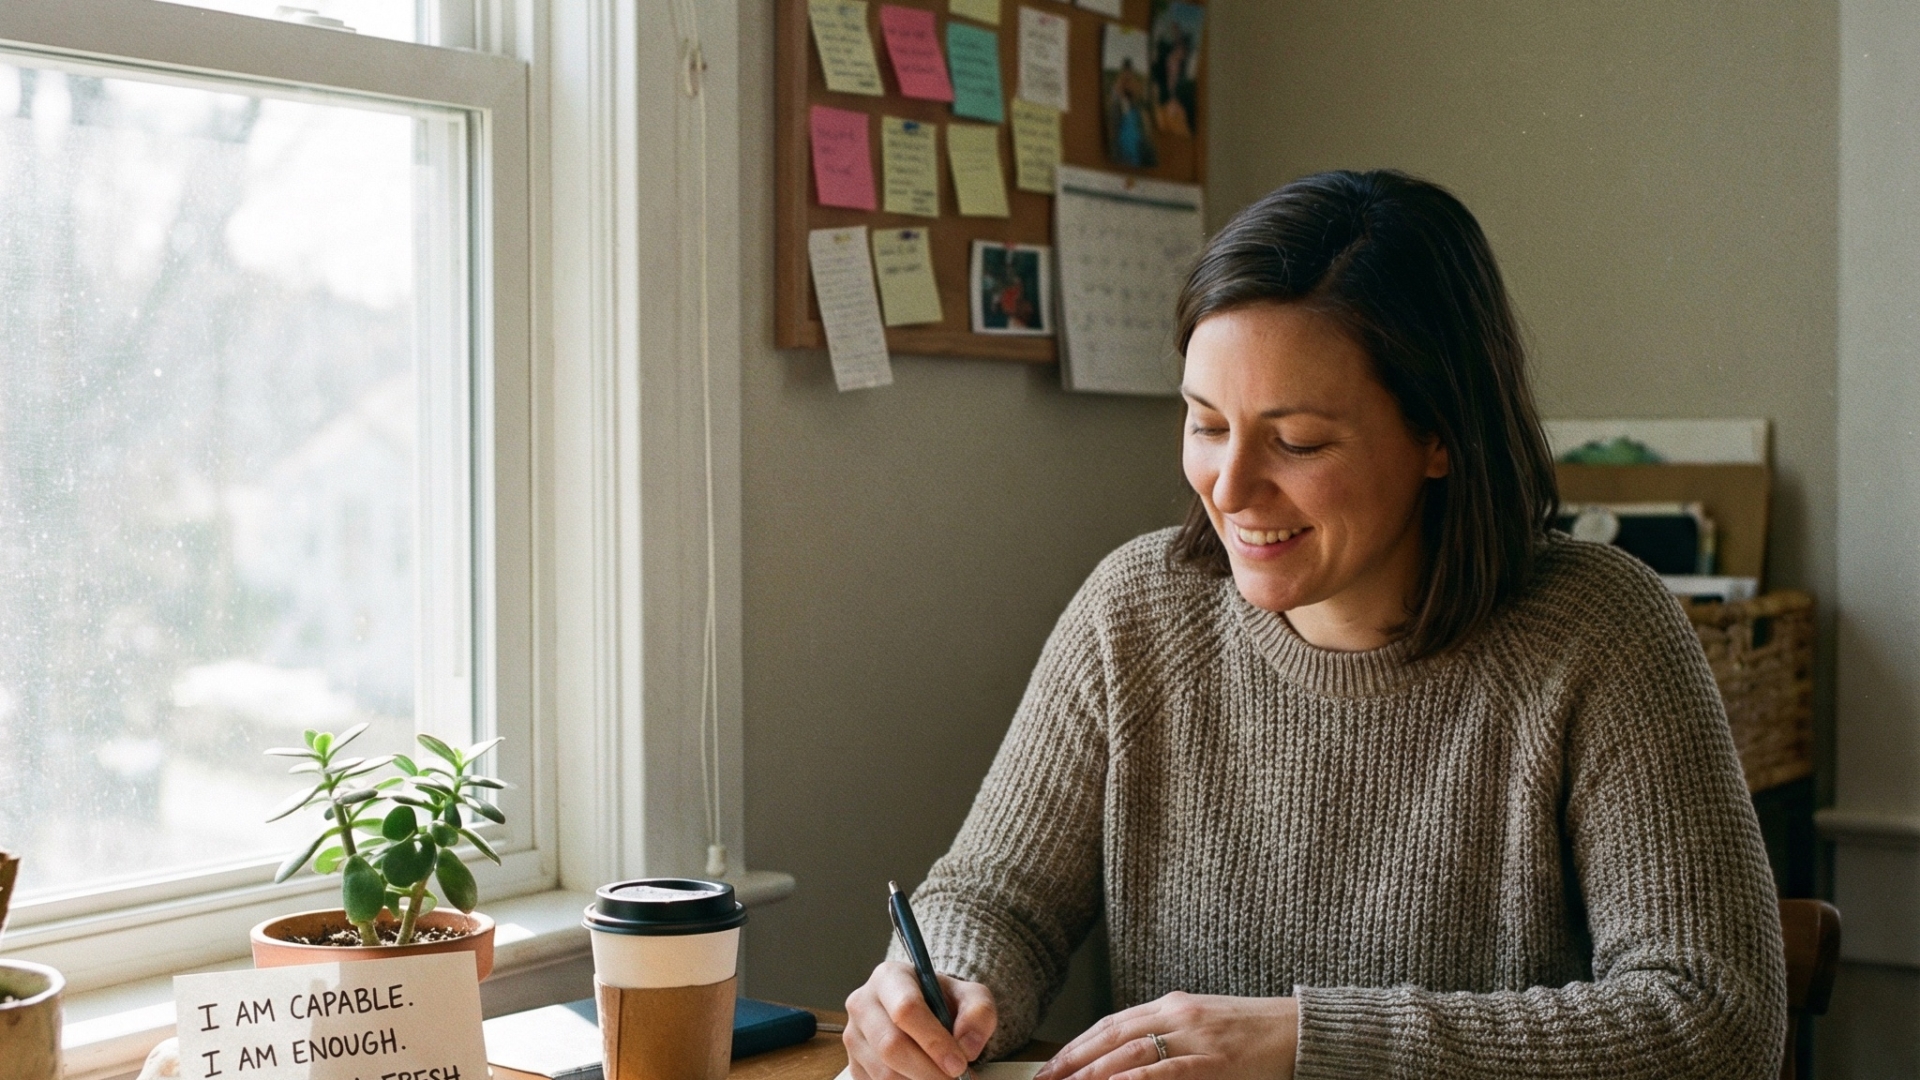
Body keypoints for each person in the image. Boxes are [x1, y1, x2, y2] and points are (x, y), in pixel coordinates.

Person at [842, 170, 1787, 1079]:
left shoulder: (1600, 630)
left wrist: (1307, 1043)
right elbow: (998, 898)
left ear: (1439, 435)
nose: (1230, 487)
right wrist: (942, 985)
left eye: (1296, 442)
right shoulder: (1135, 611)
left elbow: (1714, 1021)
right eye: (1207, 425)